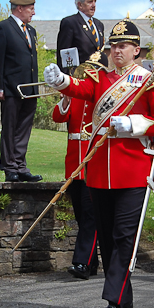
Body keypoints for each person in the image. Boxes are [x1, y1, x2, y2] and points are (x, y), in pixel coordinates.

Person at [44, 19, 154, 308]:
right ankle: (124, 299)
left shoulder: (149, 80)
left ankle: (113, 302)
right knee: (105, 238)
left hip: (133, 171)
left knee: (123, 237)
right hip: (100, 172)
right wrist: (60, 80)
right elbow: (81, 89)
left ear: (136, 50)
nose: (117, 51)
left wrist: (135, 125)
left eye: (123, 46)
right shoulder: (101, 79)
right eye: (113, 46)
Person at [52, 51, 108, 280]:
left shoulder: (104, 95)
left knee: (89, 216)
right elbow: (57, 117)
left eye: (95, 70)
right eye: (88, 69)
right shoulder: (75, 94)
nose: (90, 74)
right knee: (81, 215)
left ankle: (82, 263)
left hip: (93, 162)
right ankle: (91, 264)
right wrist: (66, 96)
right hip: (73, 164)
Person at [0, 0, 42, 182]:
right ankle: (9, 167)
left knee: (24, 129)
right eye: (31, 8)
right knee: (10, 128)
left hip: (30, 88)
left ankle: (20, 165)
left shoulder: (31, 31)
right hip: (12, 88)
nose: (34, 12)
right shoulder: (3, 28)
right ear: (19, 8)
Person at [56, 0, 104, 73]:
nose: (93, 5)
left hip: (98, 74)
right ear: (80, 5)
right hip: (79, 76)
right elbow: (64, 54)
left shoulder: (99, 24)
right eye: (90, 2)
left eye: (95, 1)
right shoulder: (70, 22)